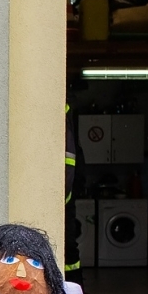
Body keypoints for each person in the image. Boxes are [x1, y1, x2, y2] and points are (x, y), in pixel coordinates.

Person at [64, 107, 84, 284]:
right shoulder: (67, 118)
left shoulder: (64, 118)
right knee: (70, 251)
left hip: (65, 198)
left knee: (69, 251)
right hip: (66, 196)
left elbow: (69, 162)